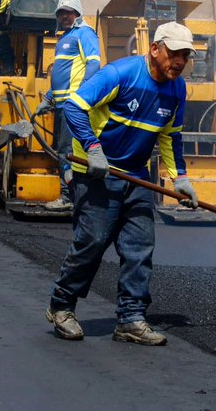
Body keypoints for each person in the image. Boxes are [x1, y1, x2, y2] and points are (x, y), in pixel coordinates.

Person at [46, 21, 199, 346]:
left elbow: (171, 136)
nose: (179, 62)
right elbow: (74, 107)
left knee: (139, 248)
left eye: (185, 56)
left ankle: (130, 319)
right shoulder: (120, 75)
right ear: (155, 49)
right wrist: (93, 149)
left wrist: (180, 178)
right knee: (93, 241)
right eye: (174, 54)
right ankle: (61, 306)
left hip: (135, 176)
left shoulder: (177, 90)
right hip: (97, 172)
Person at [35, 0, 101, 210]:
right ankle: (73, 195)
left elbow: (93, 64)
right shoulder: (64, 38)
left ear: (77, 13)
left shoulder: (84, 34)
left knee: (69, 152)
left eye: (69, 12)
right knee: (64, 151)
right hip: (62, 106)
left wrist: (82, 94)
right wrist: (48, 99)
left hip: (74, 107)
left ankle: (68, 197)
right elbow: (61, 75)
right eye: (61, 13)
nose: (65, 16)